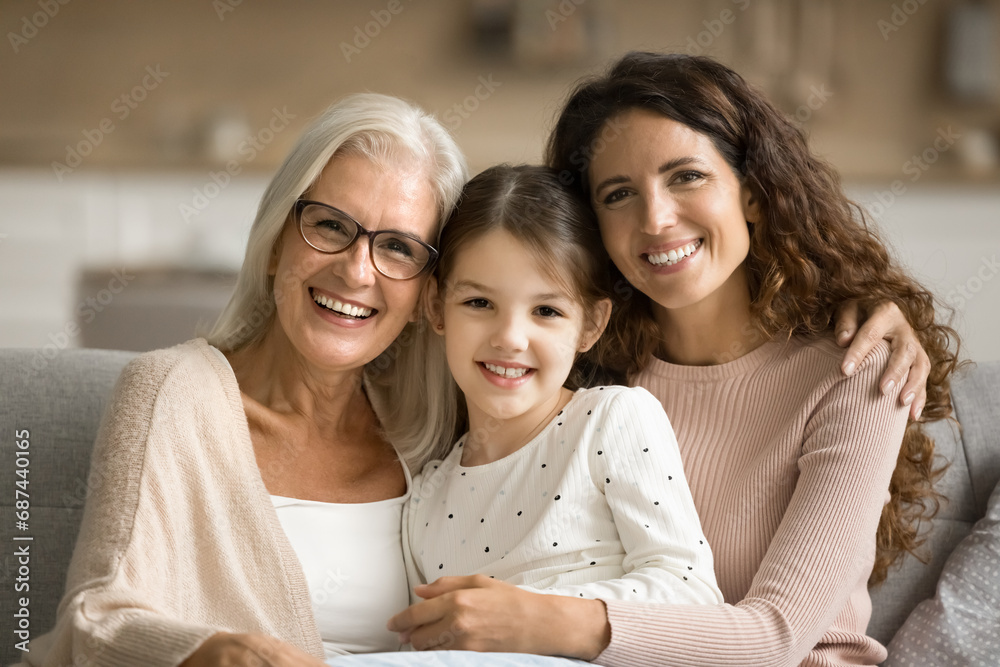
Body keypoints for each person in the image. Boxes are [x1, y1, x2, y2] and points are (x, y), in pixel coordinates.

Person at [384, 52, 961, 667]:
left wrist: (533, 618)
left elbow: (776, 637)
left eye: (686, 176)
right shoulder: (583, 374)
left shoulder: (855, 371)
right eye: (618, 194)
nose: (656, 219)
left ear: (754, 194)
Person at [22, 93, 467, 667]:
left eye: (398, 248)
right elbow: (94, 624)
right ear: (277, 242)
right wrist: (212, 652)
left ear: (426, 294)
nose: (357, 271)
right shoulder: (169, 392)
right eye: (331, 225)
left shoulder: (437, 436)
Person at [405, 164, 723, 608]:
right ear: (436, 307)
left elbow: (692, 591)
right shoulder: (425, 497)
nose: (510, 338)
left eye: (546, 311)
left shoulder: (611, 421)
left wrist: (527, 612)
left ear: (590, 324)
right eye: (479, 302)